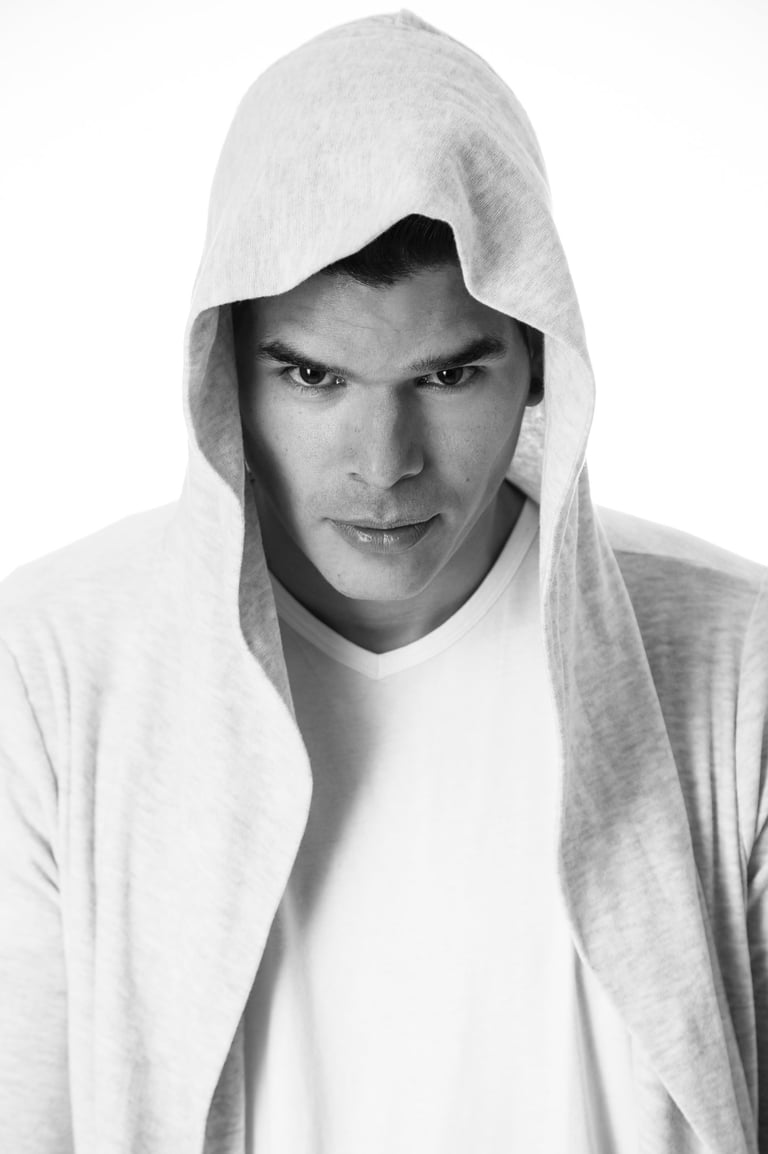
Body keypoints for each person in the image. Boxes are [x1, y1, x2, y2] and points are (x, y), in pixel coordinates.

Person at [0, 9, 766, 1153]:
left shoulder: (737, 665)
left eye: (448, 375)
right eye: (314, 375)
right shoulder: (51, 673)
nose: (385, 461)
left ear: (540, 364)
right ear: (226, 374)